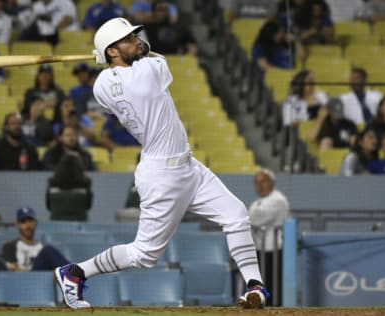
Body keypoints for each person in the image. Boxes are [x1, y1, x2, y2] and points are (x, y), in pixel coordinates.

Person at [53, 17, 269, 309]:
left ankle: (255, 286)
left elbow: (126, 67)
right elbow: (151, 55)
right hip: (162, 175)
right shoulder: (148, 71)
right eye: (127, 39)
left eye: (132, 36)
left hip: (188, 167)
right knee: (144, 255)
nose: (136, 41)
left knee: (236, 214)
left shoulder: (101, 84)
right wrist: (124, 52)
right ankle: (75, 273)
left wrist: (109, 56)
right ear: (113, 51)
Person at [248, 169, 291, 307]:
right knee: (261, 284)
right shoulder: (256, 203)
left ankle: (274, 309)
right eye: (257, 182)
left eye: (263, 182)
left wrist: (244, 220)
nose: (260, 185)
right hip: (260, 250)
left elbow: (258, 219)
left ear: (272, 183)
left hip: (275, 250)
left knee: (273, 284)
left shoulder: (278, 200)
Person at [1, 207, 69, 271]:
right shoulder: (10, 246)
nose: (27, 225)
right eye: (23, 221)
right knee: (48, 250)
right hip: (23, 279)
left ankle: (73, 276)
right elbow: (8, 271)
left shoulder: (42, 247)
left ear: (35, 222)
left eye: (30, 221)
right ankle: (74, 275)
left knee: (48, 250)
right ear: (17, 224)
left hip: (42, 278)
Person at [46, 153, 93, 221]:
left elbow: (48, 206)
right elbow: (88, 206)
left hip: (56, 227)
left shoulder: (52, 184)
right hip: (79, 227)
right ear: (79, 166)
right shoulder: (85, 184)